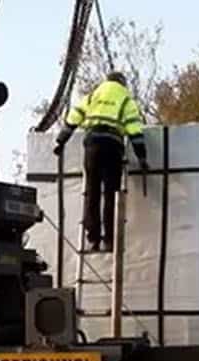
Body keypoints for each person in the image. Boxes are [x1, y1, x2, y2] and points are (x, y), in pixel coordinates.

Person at [54, 71, 149, 253]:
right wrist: (142, 158)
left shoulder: (93, 95)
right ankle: (109, 240)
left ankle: (93, 239)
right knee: (111, 194)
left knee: (92, 192)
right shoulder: (126, 99)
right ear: (123, 84)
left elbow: (73, 119)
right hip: (112, 146)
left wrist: (60, 141)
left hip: (92, 145)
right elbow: (135, 131)